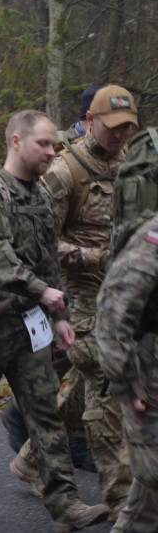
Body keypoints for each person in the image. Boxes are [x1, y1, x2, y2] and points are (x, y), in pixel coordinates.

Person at [0, 109, 108, 529]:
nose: (52, 151)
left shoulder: (41, 197)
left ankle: (65, 504)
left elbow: (49, 263)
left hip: (28, 325)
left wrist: (59, 314)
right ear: (15, 142)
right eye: (43, 144)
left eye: (55, 144)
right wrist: (42, 292)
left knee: (45, 412)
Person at [9, 86, 135, 513]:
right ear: (91, 120)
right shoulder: (65, 172)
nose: (121, 136)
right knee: (106, 377)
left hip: (120, 294)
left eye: (129, 128)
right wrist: (92, 256)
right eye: (114, 127)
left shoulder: (133, 167)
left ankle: (30, 457)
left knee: (85, 380)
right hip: (74, 295)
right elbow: (37, 242)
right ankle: (122, 500)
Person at [96, 215, 158, 531]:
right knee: (153, 475)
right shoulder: (153, 239)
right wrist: (127, 383)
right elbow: (112, 314)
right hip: (149, 376)